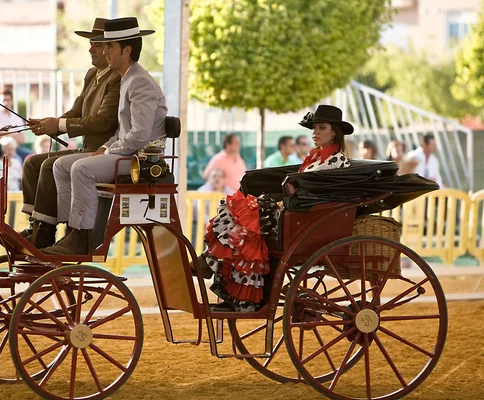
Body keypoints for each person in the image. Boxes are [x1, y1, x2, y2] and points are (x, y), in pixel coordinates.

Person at [199, 105, 353, 311]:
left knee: (241, 222)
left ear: (335, 132)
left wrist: (284, 201)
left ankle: (211, 267)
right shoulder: (317, 158)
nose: (315, 132)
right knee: (236, 218)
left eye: (321, 127)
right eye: (314, 128)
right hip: (295, 210)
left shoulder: (336, 160)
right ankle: (213, 268)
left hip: (306, 215)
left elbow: (315, 192)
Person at [43, 17, 166, 255]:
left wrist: (109, 150)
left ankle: (82, 237)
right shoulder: (127, 77)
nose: (104, 50)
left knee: (82, 168)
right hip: (127, 153)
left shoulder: (140, 81)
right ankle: (71, 233)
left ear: (126, 50)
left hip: (141, 161)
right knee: (60, 165)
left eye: (109, 46)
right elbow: (123, 130)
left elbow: (139, 135)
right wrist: (107, 147)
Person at [20, 18, 121, 248]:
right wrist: (49, 123)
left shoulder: (116, 78)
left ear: (108, 48)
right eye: (91, 43)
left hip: (103, 152)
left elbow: (103, 122)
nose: (90, 48)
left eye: (96, 43)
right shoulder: (91, 74)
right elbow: (76, 110)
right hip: (88, 149)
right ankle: (37, 224)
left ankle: (46, 234)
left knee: (48, 166)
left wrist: (59, 125)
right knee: (32, 164)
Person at [0, 89, 31, 161]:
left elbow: (22, 139)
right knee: (17, 159)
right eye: (3, 100)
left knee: (30, 156)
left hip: (16, 148)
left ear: (12, 101)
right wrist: (15, 134)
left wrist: (5, 134)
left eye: (8, 100)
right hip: (1, 149)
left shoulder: (15, 116)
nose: (6, 102)